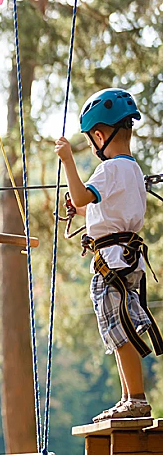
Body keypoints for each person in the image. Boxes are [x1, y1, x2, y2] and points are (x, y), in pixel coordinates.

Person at [54, 88, 162, 422]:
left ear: (100, 135)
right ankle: (130, 397)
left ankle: (137, 398)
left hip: (112, 263)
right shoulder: (133, 172)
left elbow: (82, 197)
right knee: (119, 329)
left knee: (119, 330)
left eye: (90, 141)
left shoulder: (110, 170)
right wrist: (84, 210)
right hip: (127, 258)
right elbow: (106, 214)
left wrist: (69, 161)